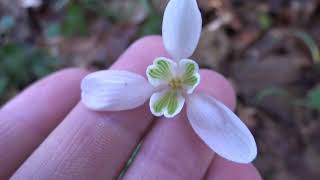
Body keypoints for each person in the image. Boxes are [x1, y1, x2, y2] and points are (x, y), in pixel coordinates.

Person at [0, 36, 262, 180]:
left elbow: (236, 145)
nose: (175, 82)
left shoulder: (194, 102)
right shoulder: (155, 88)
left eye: (178, 81)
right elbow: (94, 90)